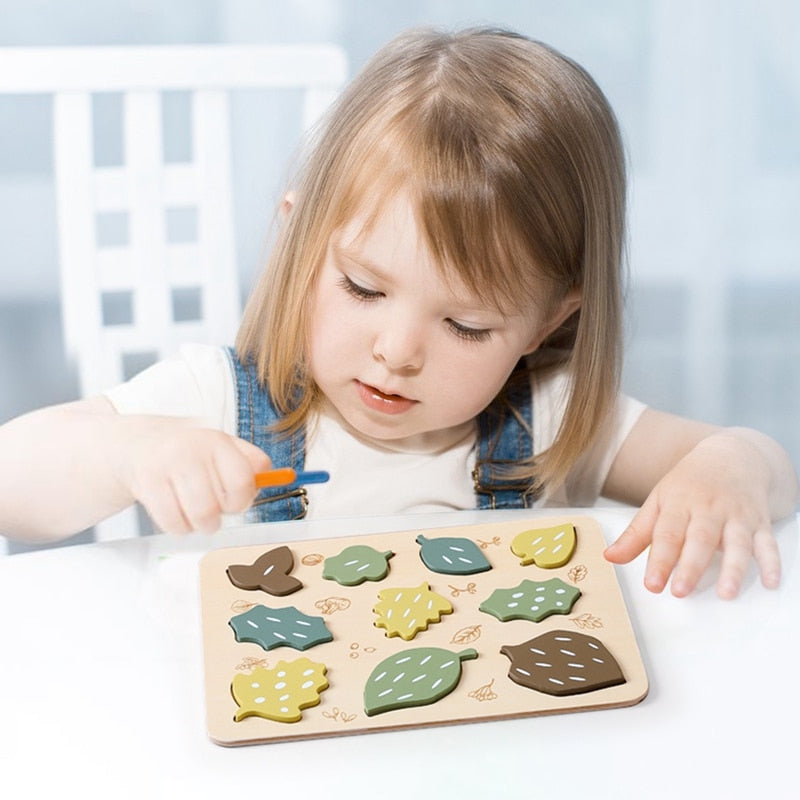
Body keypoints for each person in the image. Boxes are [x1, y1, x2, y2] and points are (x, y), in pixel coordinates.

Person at [0, 27, 796, 600]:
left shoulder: (548, 419)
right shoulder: (220, 404)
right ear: (299, 237)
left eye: (467, 327)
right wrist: (126, 450)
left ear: (550, 322)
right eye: (363, 288)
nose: (396, 351)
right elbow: (15, 485)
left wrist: (729, 474)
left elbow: (758, 461)